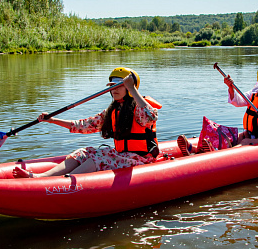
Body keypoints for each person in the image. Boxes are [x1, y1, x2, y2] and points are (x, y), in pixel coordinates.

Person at [13, 67, 159, 178]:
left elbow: (151, 117)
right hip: (122, 156)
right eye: (112, 86)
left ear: (129, 89)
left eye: (119, 86)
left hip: (141, 160)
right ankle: (42, 177)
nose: (114, 90)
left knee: (101, 156)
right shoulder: (112, 111)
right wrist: (52, 120)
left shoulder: (140, 108)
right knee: (84, 152)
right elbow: (83, 126)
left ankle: (66, 182)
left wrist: (132, 88)